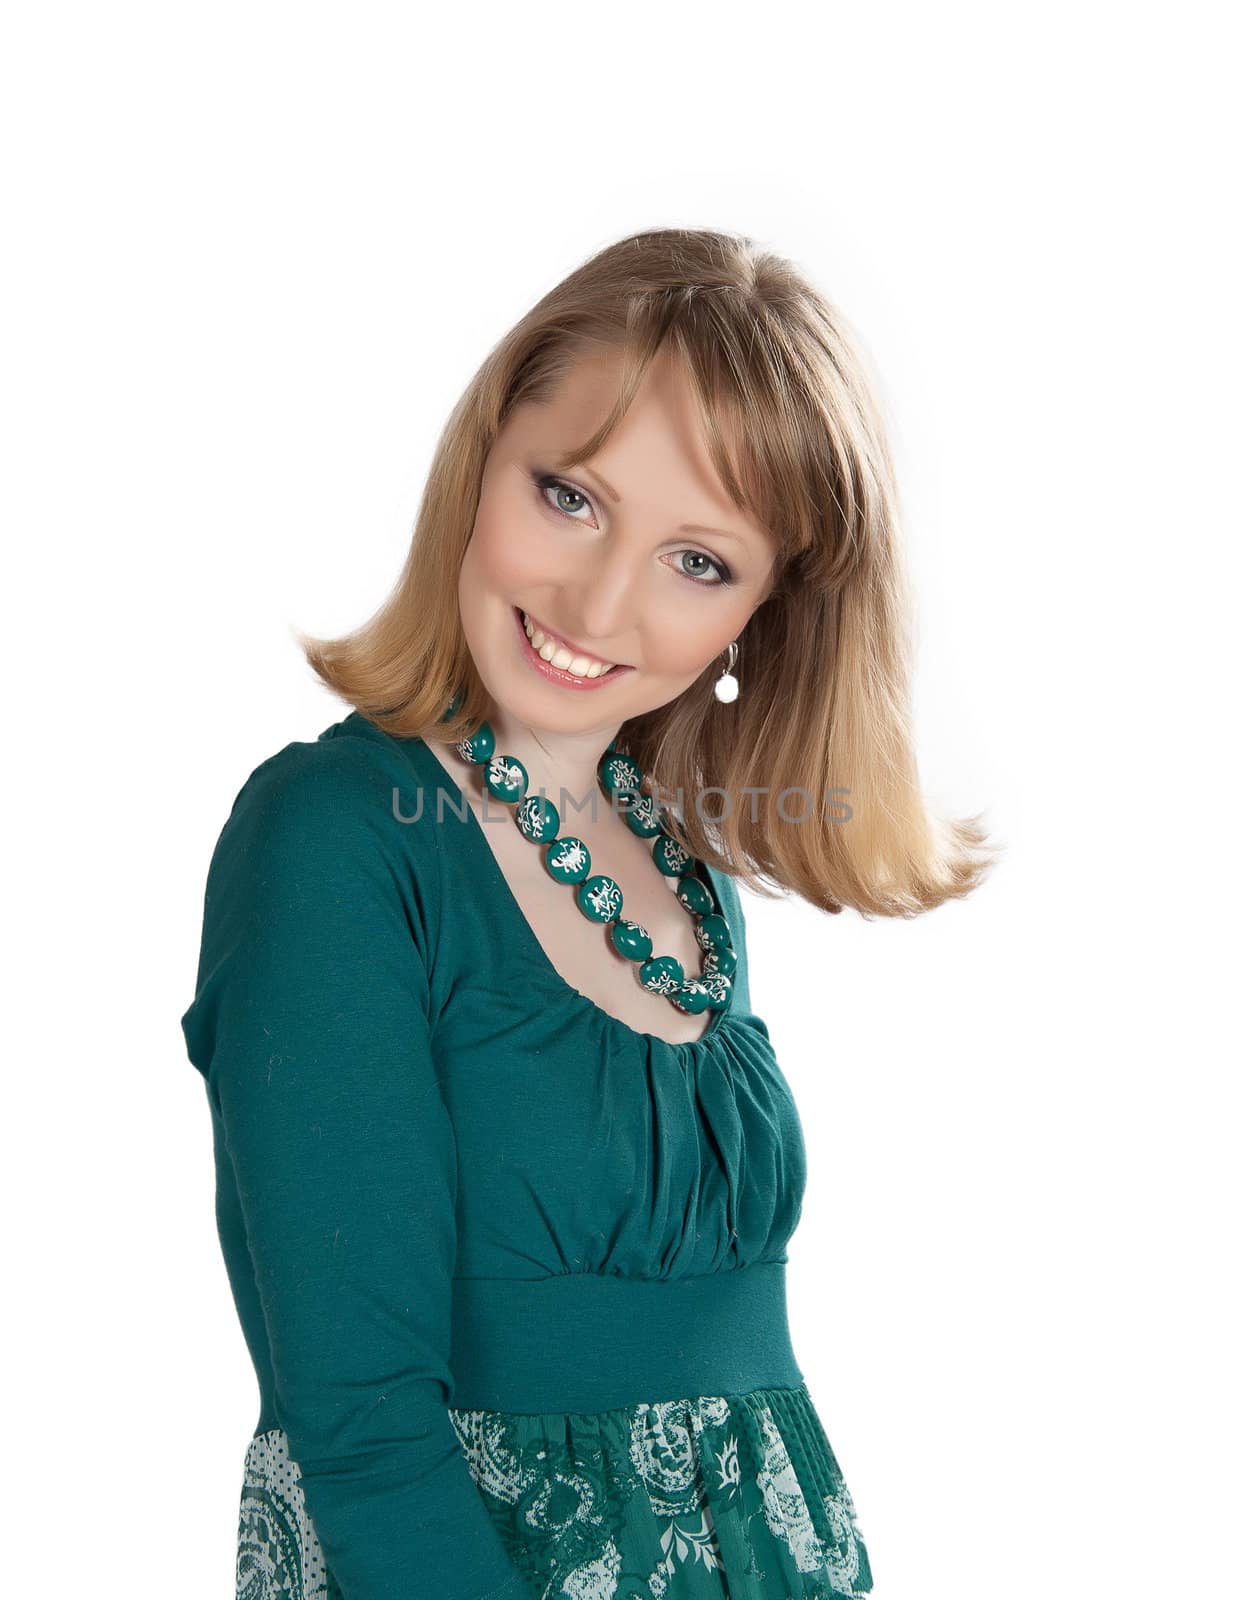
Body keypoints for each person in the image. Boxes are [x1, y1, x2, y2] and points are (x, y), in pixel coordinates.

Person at [181, 226, 993, 1600]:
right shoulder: (331, 839)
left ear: (764, 618)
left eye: (699, 562)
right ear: (484, 454)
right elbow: (361, 1431)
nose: (597, 599)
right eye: (569, 495)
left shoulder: (682, 864)